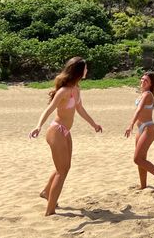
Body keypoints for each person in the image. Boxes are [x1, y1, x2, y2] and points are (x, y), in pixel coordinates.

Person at [29, 56, 102, 215]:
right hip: (56, 131)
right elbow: (49, 109)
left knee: (64, 168)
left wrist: (94, 124)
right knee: (62, 171)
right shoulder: (63, 91)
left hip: (65, 132)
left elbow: (80, 109)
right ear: (79, 71)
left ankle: (47, 192)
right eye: (85, 68)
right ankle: (50, 211)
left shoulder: (76, 89)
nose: (87, 70)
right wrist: (38, 126)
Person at [124, 72, 154, 191]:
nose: (143, 81)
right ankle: (143, 185)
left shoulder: (147, 94)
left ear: (151, 84)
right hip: (141, 128)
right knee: (141, 158)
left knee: (137, 159)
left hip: (149, 128)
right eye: (142, 79)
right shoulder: (142, 94)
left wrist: (130, 125)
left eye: (146, 81)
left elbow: (138, 110)